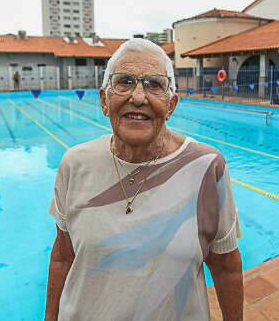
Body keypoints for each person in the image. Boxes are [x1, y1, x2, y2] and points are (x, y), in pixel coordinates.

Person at [45, 39, 243, 320]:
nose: (138, 97)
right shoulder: (74, 164)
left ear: (171, 104)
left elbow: (226, 267)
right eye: (124, 82)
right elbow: (63, 257)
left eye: (154, 85)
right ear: (104, 99)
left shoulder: (207, 168)